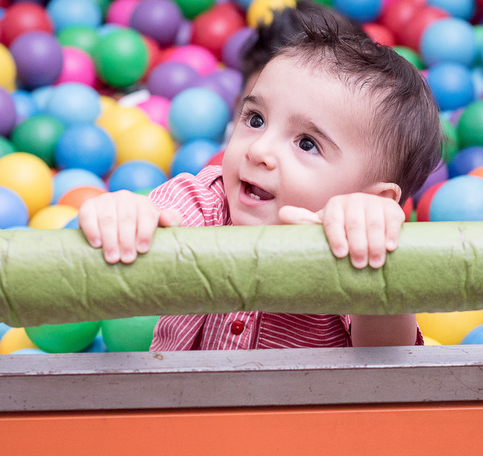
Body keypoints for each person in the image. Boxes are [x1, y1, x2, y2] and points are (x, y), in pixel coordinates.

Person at [78, 20, 442, 350]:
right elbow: (157, 218)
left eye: (306, 144)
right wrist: (126, 214)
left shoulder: (351, 249)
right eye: (255, 119)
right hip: (182, 413)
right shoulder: (208, 200)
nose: (260, 150)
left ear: (371, 199)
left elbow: (388, 364)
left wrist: (369, 248)